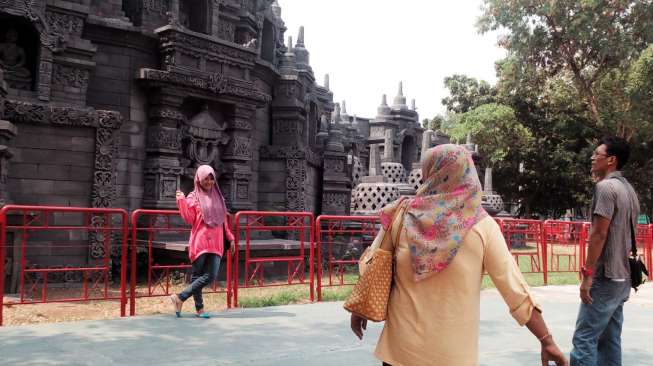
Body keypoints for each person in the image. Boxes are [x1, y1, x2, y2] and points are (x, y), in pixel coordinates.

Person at [350, 144, 568, 366]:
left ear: (430, 174)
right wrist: (546, 340)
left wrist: (360, 309)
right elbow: (516, 290)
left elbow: (373, 266)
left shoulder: (402, 215)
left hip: (400, 353)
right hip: (453, 357)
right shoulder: (483, 226)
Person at [570, 136, 639, 365]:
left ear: (611, 160)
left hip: (606, 276)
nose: (592, 157)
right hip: (623, 277)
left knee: (584, 339)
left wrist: (587, 276)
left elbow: (599, 234)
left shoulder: (605, 188)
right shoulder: (629, 190)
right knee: (610, 339)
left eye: (596, 154)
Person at [170, 165, 235, 318]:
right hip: (200, 241)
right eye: (206, 178)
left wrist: (231, 238)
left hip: (217, 242)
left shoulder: (218, 197)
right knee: (197, 276)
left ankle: (180, 297)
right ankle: (200, 309)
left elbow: (223, 221)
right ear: (199, 179)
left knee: (211, 275)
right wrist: (181, 201)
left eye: (211, 178)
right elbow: (189, 219)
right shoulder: (193, 197)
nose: (209, 181)